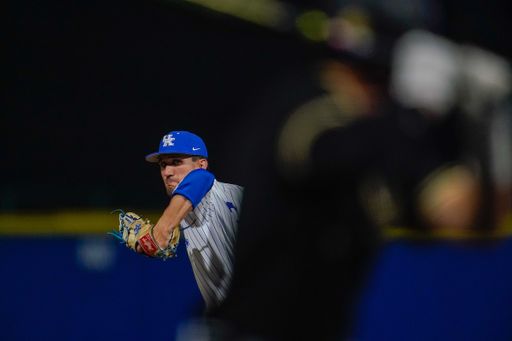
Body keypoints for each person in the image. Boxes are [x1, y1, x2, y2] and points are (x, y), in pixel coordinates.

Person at [142, 130, 244, 310]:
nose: (167, 172)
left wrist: (162, 229)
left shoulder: (216, 193)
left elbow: (200, 178)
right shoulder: (185, 204)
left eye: (177, 162)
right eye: (163, 165)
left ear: (201, 164)